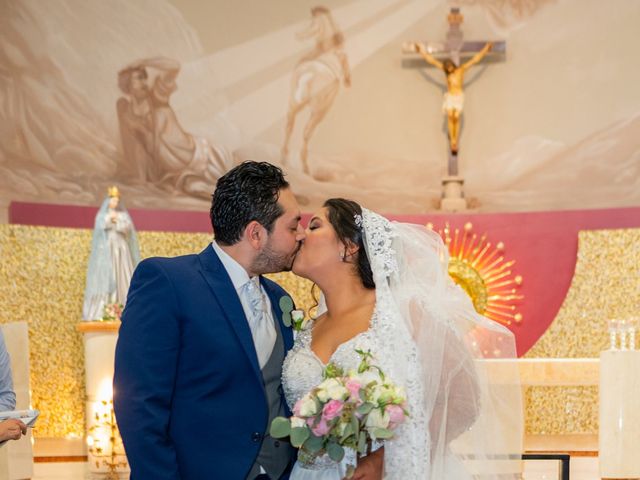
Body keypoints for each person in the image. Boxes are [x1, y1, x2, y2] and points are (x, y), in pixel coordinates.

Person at [282, 199, 523, 479]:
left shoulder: (403, 311)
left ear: (349, 246)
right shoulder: (306, 329)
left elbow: (464, 399)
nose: (300, 234)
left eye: (314, 226)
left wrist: (383, 457)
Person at [114, 161, 305, 479]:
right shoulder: (168, 281)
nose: (300, 235)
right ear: (256, 234)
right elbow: (139, 403)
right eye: (292, 225)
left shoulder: (279, 297)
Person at [117, 57, 231, 197]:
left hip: (200, 157)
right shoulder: (125, 110)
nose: (145, 83)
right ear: (127, 83)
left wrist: (144, 62)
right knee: (202, 191)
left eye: (145, 78)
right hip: (177, 174)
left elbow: (173, 66)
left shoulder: (157, 99)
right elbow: (137, 150)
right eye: (139, 78)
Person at [413, 42, 492, 155]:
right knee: (450, 116)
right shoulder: (447, 73)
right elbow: (432, 61)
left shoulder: (461, 70)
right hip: (450, 96)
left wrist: (485, 49)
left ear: (452, 65)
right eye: (446, 67)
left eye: (449, 66)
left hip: (458, 96)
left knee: (456, 117)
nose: (448, 68)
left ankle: (455, 139)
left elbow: (475, 60)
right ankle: (453, 141)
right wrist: (421, 51)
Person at [82, 186, 141, 320]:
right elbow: (99, 227)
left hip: (121, 248)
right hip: (107, 248)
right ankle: (103, 309)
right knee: (107, 275)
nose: (114, 203)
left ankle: (124, 307)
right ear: (108, 201)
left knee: (122, 274)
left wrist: (117, 221)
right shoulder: (103, 215)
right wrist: (110, 220)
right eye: (112, 200)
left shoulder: (123, 215)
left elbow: (128, 229)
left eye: (116, 200)